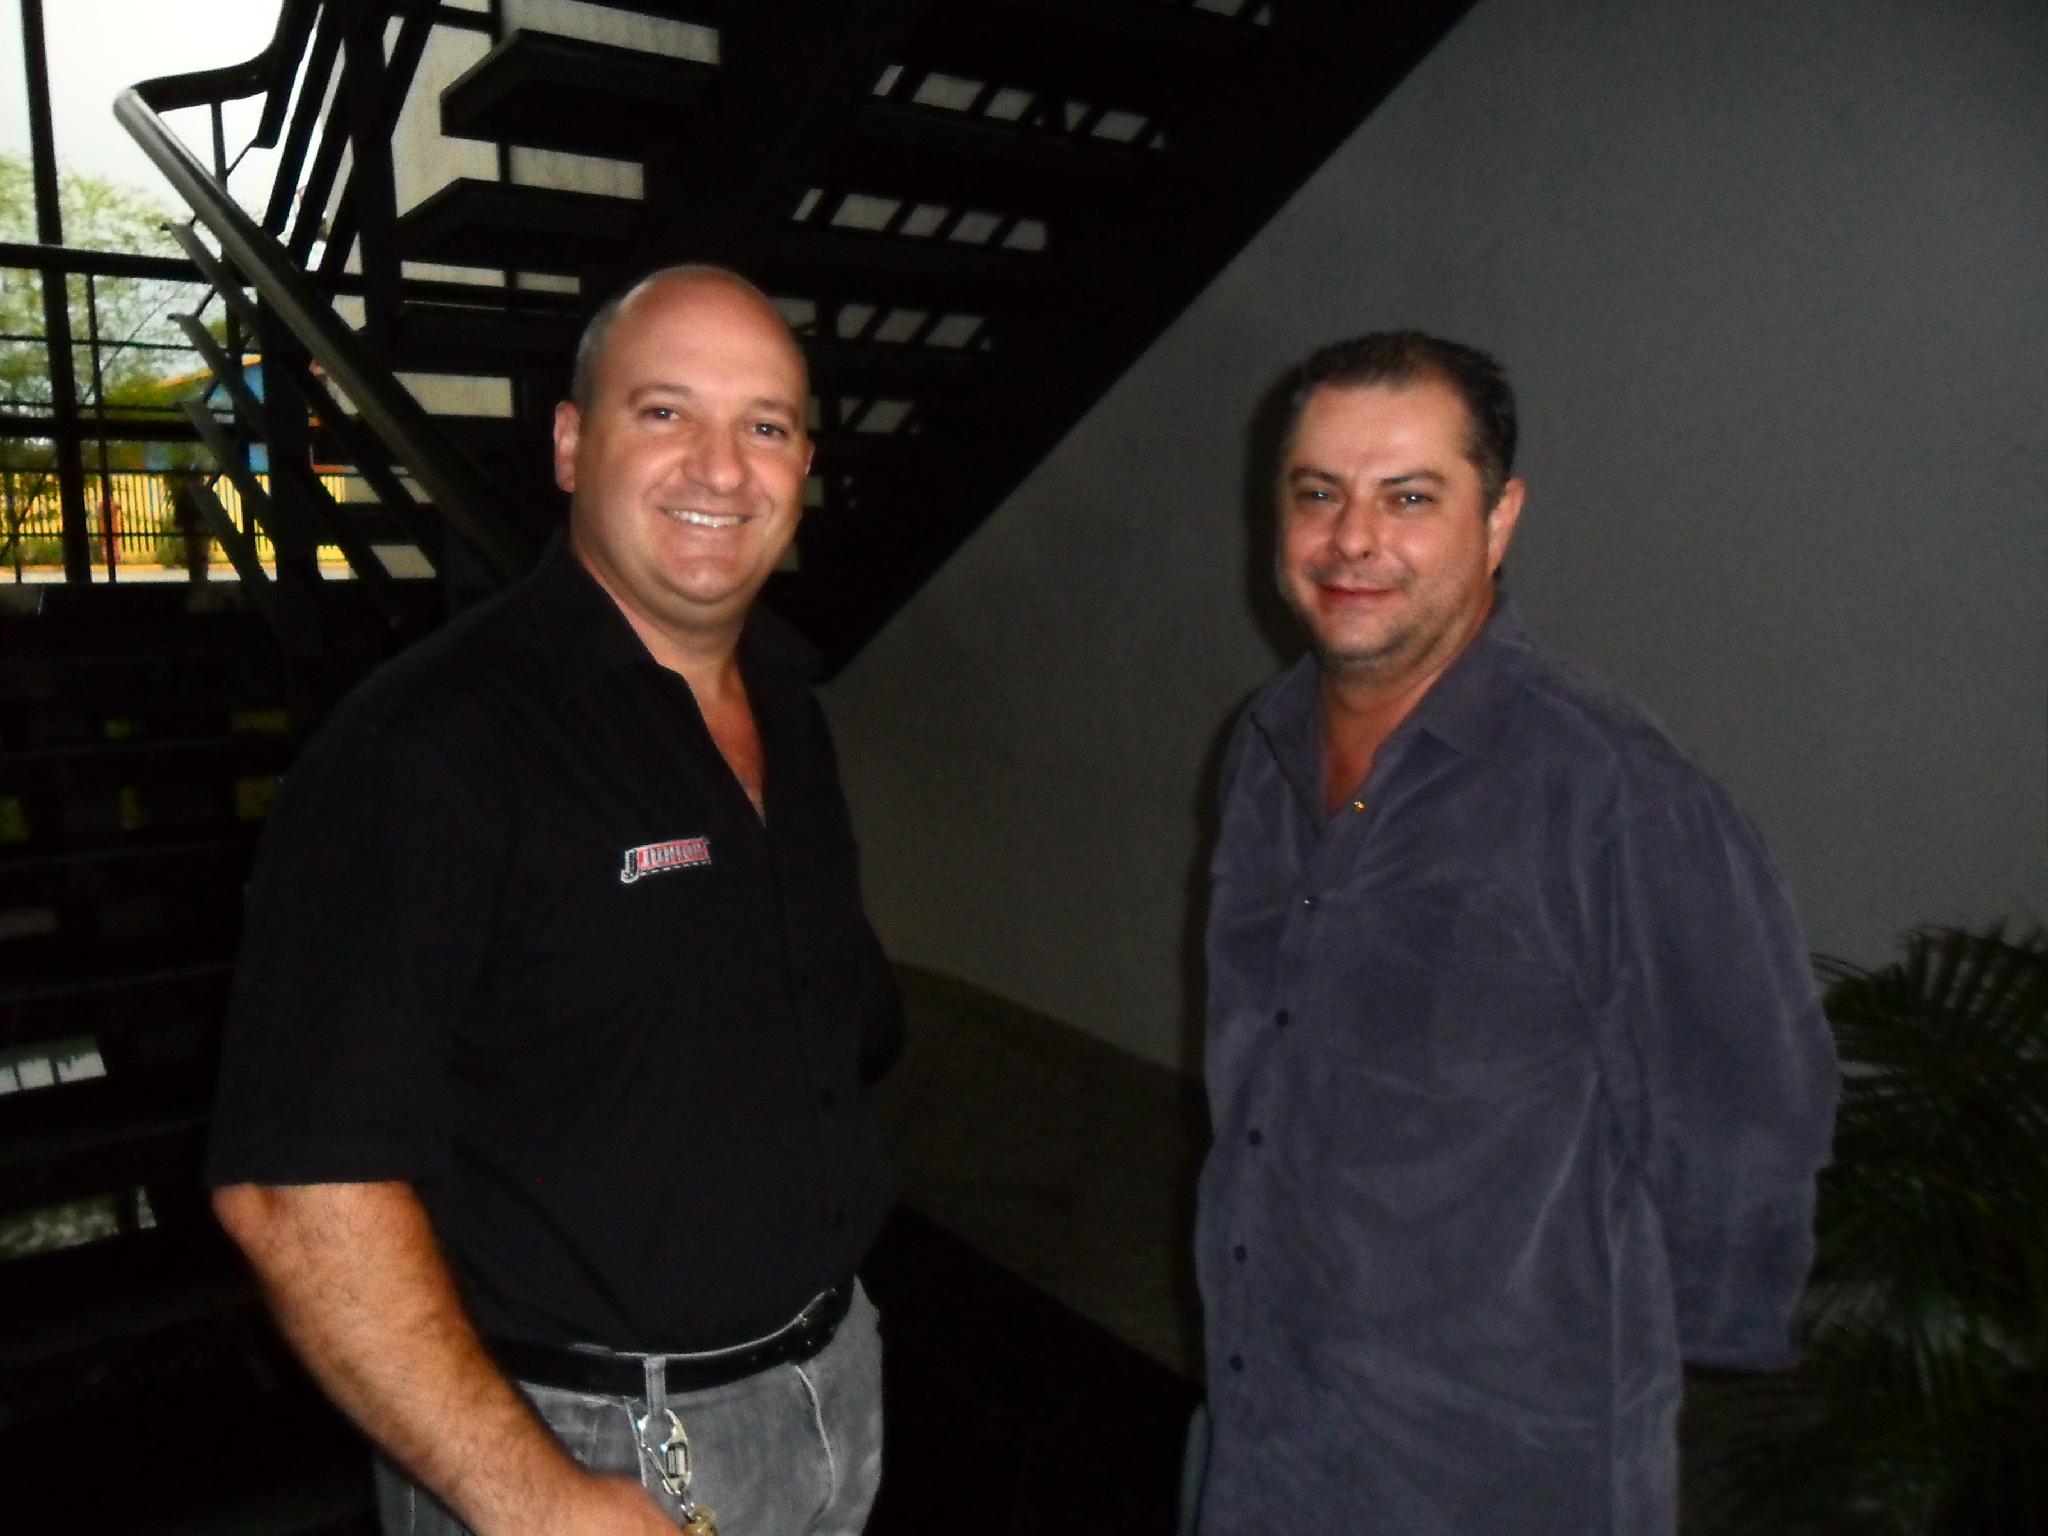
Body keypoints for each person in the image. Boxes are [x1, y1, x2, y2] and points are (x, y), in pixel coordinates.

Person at [207, 266, 900, 1536]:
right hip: (579, 1446)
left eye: (763, 425)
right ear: (572, 444)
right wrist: (536, 1503)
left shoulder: (789, 703)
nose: (719, 468)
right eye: (663, 412)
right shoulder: (429, 747)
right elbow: (296, 1195)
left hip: (828, 1394)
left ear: (803, 465)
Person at [1192, 332, 1838, 1535]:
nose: (1351, 540)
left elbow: (1750, 1109)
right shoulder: (1260, 746)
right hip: (1263, 1420)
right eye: (1317, 493)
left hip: (1486, 1472)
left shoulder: (1609, 790)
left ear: (1497, 520)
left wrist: (1618, 1373)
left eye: (1409, 498)